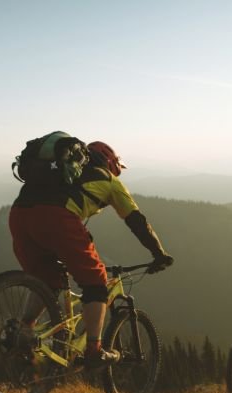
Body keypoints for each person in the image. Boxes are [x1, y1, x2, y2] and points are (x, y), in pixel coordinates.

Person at [9, 139, 173, 367]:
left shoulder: (62, 172)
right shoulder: (109, 180)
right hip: (57, 219)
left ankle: (25, 330)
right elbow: (136, 221)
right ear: (111, 162)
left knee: (48, 279)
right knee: (96, 282)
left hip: (19, 216)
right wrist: (159, 253)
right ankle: (94, 350)